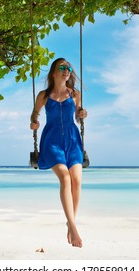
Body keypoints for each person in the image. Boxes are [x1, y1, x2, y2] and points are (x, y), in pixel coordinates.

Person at [30, 58, 88, 248]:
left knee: (77, 181)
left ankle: (70, 223)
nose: (67, 70)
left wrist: (82, 114)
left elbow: (79, 115)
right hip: (52, 141)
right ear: (54, 72)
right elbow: (35, 114)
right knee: (65, 178)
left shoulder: (75, 95)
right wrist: (34, 123)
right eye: (62, 67)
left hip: (72, 141)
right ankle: (73, 226)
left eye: (69, 68)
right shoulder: (44, 96)